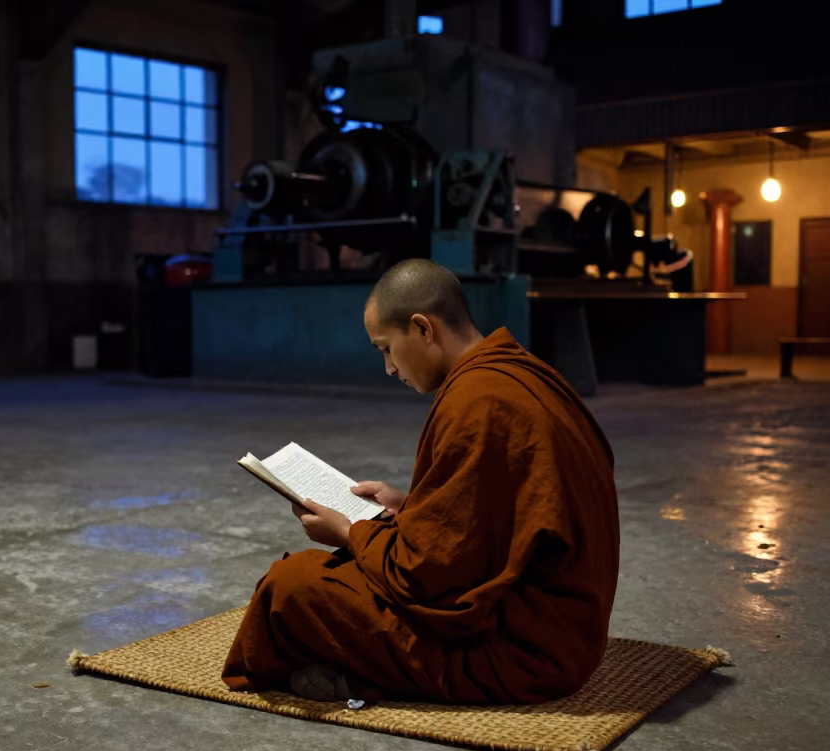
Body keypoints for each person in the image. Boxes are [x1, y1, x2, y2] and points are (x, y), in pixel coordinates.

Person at [221, 259, 620, 705]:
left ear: (423, 329)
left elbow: (429, 579)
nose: (389, 368)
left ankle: (355, 671)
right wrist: (408, 506)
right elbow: (494, 518)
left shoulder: (479, 400)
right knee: (336, 574)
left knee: (292, 585)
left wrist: (349, 533)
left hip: (523, 652)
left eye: (387, 349)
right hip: (570, 632)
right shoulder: (521, 370)